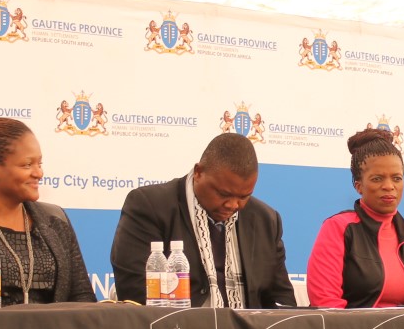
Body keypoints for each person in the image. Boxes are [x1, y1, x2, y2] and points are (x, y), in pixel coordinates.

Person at [110, 132, 295, 308]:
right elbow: (135, 290)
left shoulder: (266, 220)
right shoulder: (150, 206)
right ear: (198, 172)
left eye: (244, 196)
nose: (233, 205)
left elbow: (282, 299)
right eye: (223, 194)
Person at [0, 109, 96, 305]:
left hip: (54, 325)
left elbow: (82, 296)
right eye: (27, 165)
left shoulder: (55, 219)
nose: (39, 173)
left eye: (39, 164)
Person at [306, 128, 404, 307]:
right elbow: (325, 303)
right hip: (350, 326)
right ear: (359, 186)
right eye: (377, 179)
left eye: (397, 178)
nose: (389, 186)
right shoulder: (339, 228)